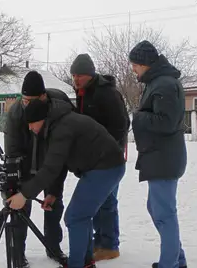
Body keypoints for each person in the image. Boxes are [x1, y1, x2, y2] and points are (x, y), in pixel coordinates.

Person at [6, 97, 126, 268]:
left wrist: (24, 194)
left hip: (105, 167)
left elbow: (50, 168)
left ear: (41, 118)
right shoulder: (56, 124)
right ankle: (85, 262)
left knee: (75, 217)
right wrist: (53, 192)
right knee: (81, 215)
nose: (30, 128)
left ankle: (78, 264)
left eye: (32, 123)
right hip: (104, 166)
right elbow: (59, 164)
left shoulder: (62, 128)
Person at [3, 71, 74, 267]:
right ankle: (18, 253)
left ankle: (53, 247)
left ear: (43, 97)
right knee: (20, 207)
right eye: (24, 100)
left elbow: (62, 156)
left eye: (31, 100)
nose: (27, 104)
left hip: (50, 167)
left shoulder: (58, 111)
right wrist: (15, 185)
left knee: (54, 205)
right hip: (24, 169)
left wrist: (54, 190)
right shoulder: (16, 114)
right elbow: (12, 151)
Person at [128, 40, 188, 268]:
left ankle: (170, 263)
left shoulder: (164, 84)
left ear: (145, 63)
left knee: (164, 213)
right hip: (160, 157)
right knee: (157, 209)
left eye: (134, 64)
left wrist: (139, 116)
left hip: (164, 158)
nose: (133, 68)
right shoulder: (158, 82)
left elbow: (167, 122)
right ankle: (177, 259)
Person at [70, 53, 130, 261]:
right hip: (93, 158)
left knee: (107, 200)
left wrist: (108, 149)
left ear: (90, 75)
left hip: (108, 159)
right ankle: (102, 241)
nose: (76, 79)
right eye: (74, 75)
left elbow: (122, 125)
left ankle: (109, 244)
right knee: (102, 200)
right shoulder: (83, 93)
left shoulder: (106, 93)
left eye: (80, 75)